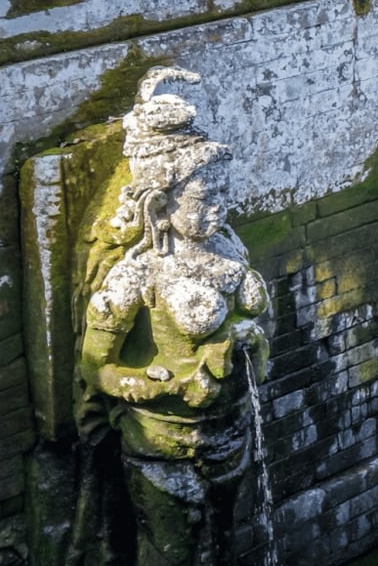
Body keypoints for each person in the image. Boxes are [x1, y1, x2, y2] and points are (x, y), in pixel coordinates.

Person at [78, 69, 269, 566]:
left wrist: (251, 339)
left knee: (227, 541)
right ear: (161, 205)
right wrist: (152, 385)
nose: (220, 209)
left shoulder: (229, 247)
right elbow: (95, 369)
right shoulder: (137, 276)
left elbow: (254, 322)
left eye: (223, 195)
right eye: (206, 199)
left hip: (231, 426)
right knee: (170, 551)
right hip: (162, 440)